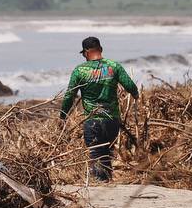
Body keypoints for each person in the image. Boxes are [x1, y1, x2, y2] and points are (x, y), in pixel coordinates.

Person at [59, 36, 139, 181]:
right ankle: (107, 183)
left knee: (96, 154)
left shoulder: (80, 70)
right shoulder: (114, 66)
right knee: (106, 153)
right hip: (112, 121)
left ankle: (100, 184)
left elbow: (69, 95)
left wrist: (63, 115)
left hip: (93, 121)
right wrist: (136, 96)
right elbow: (131, 87)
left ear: (86, 52)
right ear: (100, 49)